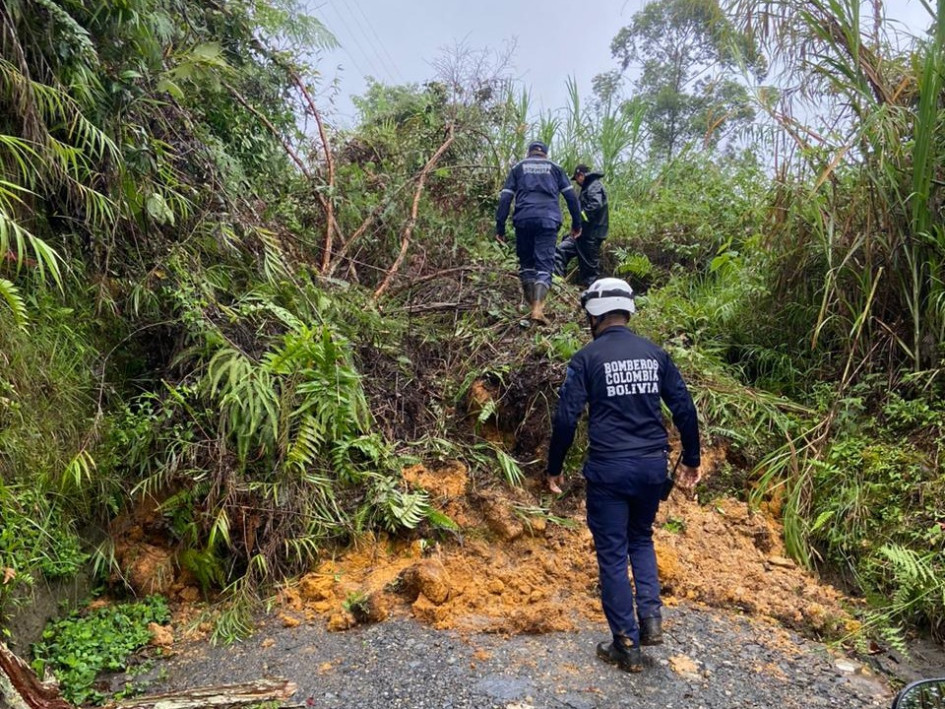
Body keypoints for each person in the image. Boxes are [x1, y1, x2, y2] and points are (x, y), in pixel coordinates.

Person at [545, 277, 701, 673]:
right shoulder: (655, 355)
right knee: (641, 538)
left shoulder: (586, 359)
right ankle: (650, 620)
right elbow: (683, 407)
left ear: (594, 313)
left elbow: (566, 417)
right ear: (627, 309)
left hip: (610, 469)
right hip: (651, 467)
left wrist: (555, 466)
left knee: (613, 553)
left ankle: (626, 645)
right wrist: (692, 458)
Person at [495, 140, 582, 324]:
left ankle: (531, 307)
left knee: (526, 263)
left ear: (529, 153)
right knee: (544, 265)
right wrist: (577, 224)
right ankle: (537, 309)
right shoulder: (555, 168)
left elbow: (505, 198)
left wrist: (500, 227)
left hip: (524, 219)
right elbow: (571, 198)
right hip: (548, 221)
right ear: (545, 154)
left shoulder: (518, 167)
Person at [554, 164, 609, 287]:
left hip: (591, 235)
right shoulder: (588, 187)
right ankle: (558, 285)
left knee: (589, 272)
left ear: (580, 175)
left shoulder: (594, 186)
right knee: (561, 250)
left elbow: (595, 205)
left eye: (576, 178)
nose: (577, 182)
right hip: (582, 234)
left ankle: (594, 296)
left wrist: (579, 218)